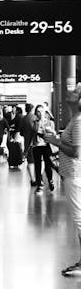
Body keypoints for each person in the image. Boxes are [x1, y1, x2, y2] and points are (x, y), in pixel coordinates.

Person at [43, 87, 81, 276]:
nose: (70, 92)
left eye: (75, 92)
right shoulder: (75, 120)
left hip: (74, 174)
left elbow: (76, 152)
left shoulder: (79, 122)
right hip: (72, 174)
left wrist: (55, 141)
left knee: (79, 218)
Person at [32, 104, 57, 193]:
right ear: (36, 113)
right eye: (38, 111)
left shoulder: (50, 122)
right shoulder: (34, 122)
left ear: (44, 112)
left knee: (48, 165)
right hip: (37, 146)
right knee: (37, 166)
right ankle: (39, 184)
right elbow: (33, 134)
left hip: (47, 146)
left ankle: (50, 180)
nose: (40, 113)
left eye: (41, 111)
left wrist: (51, 131)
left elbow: (54, 134)